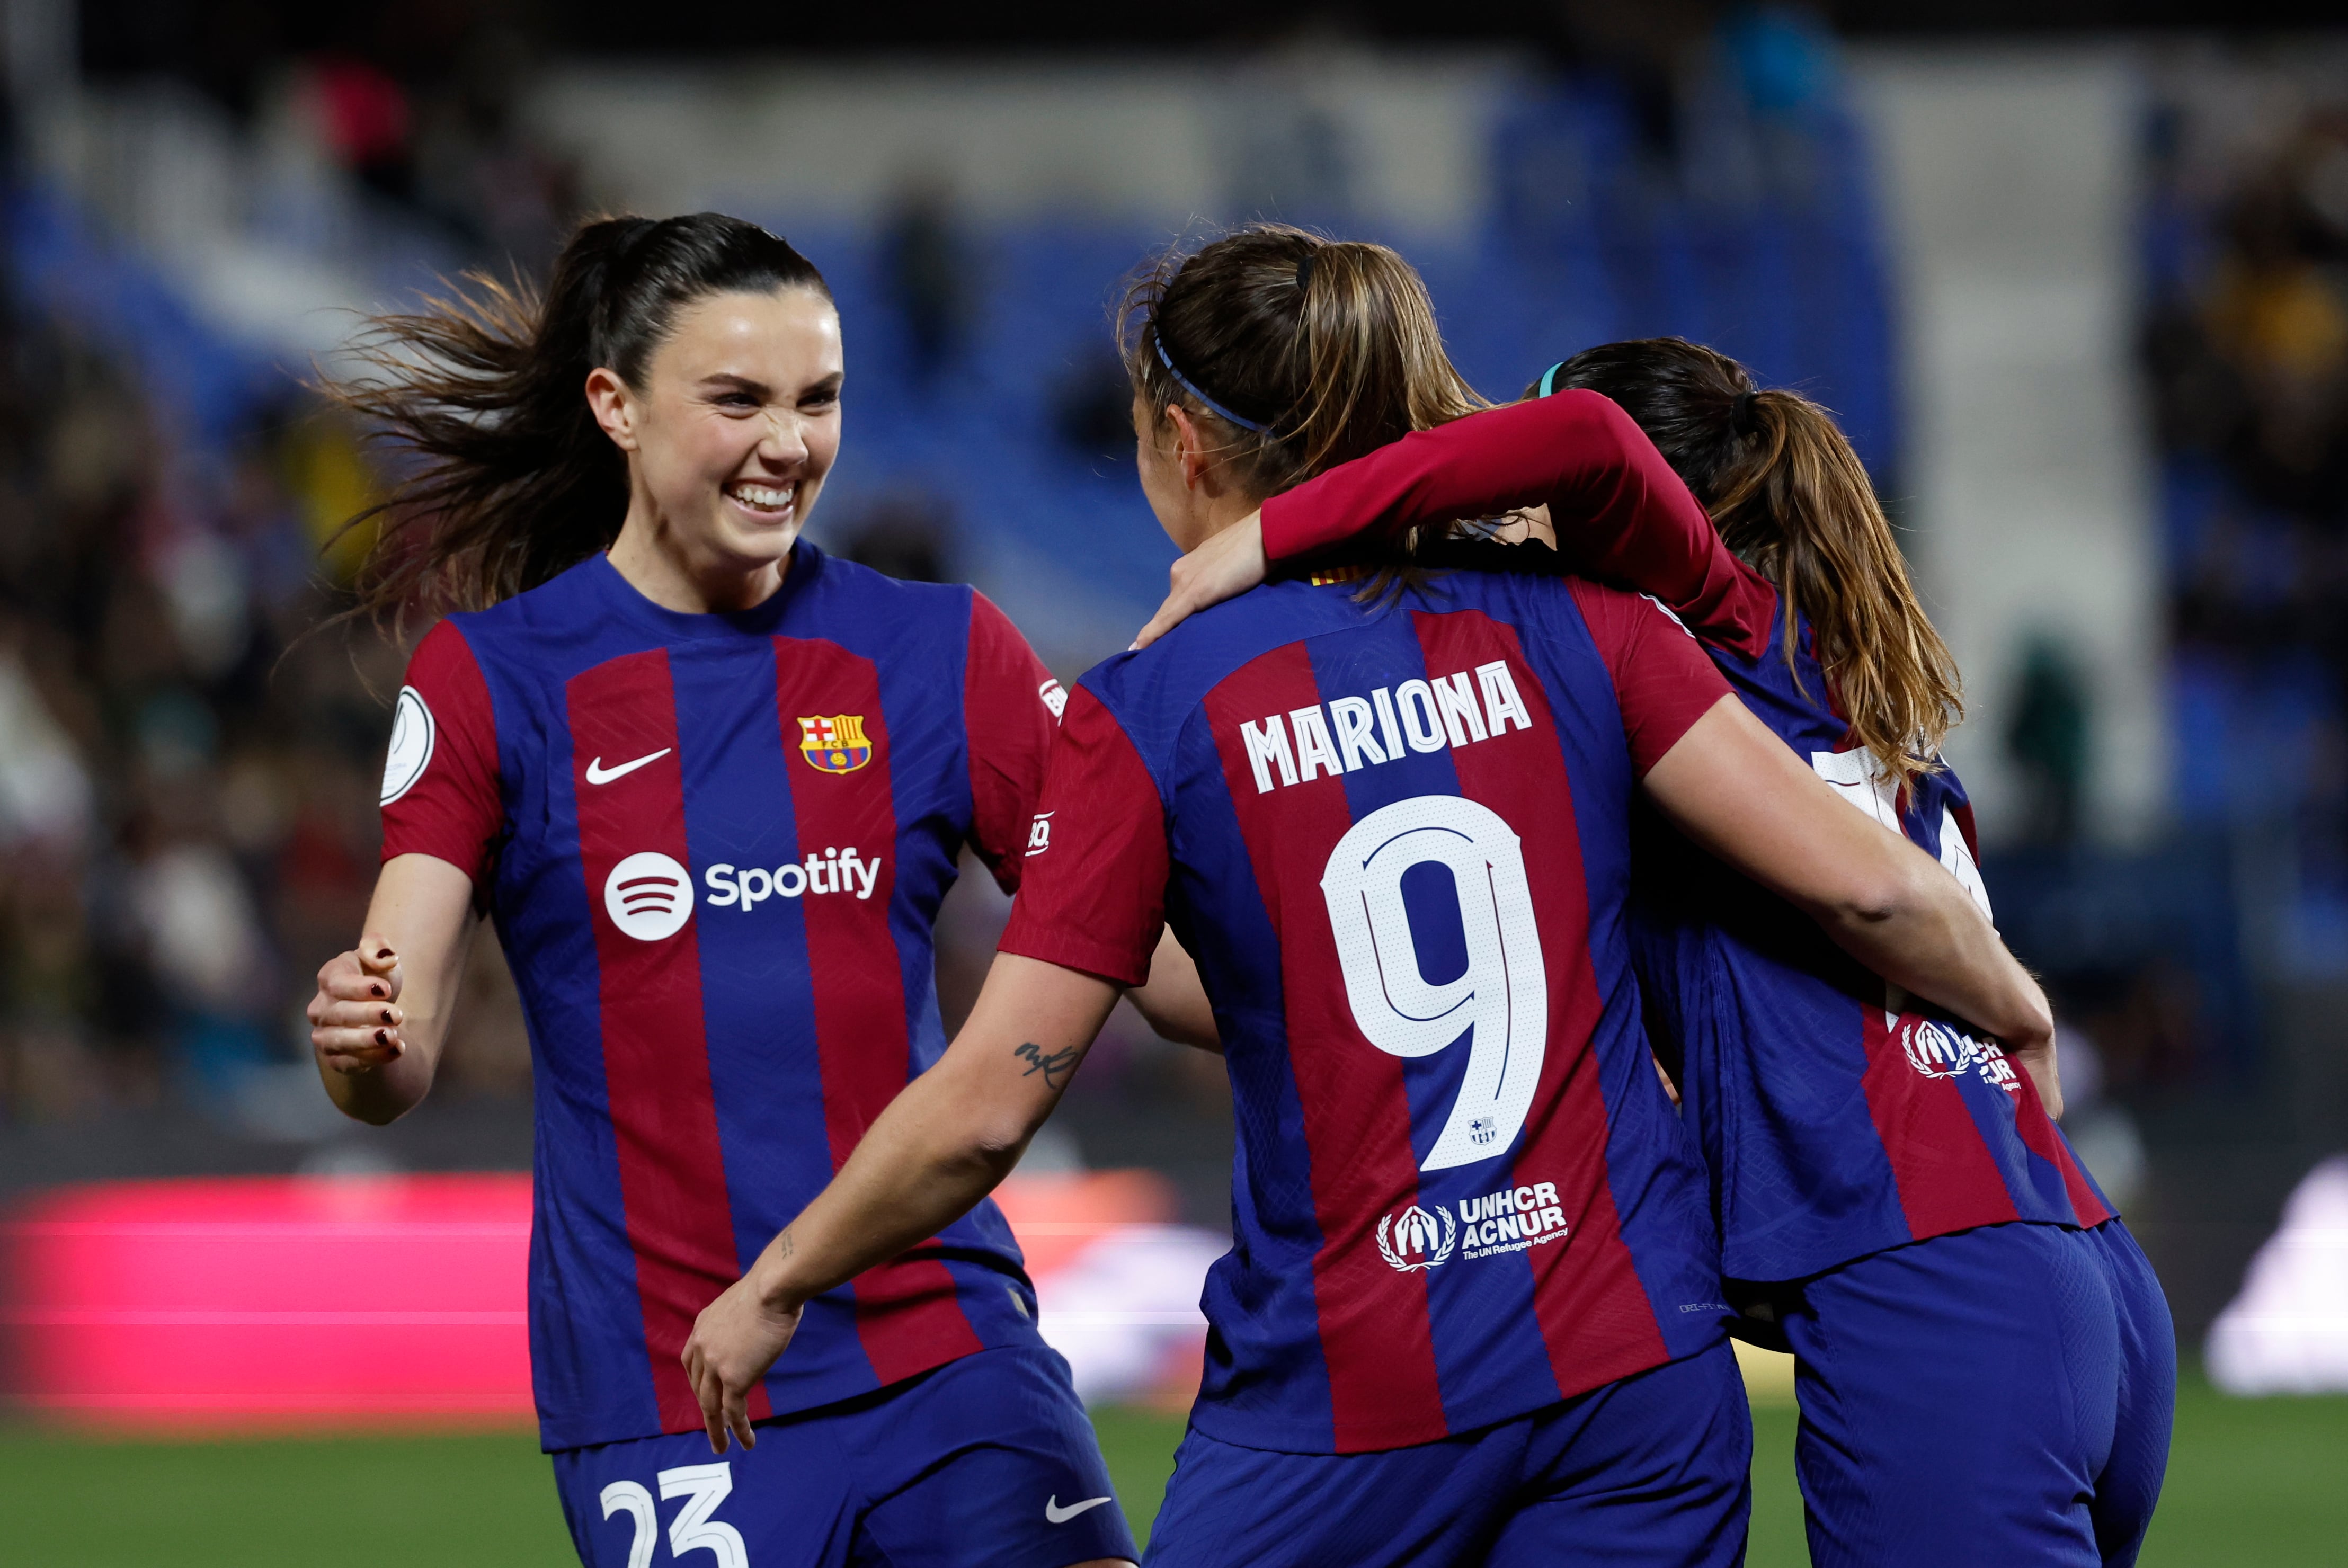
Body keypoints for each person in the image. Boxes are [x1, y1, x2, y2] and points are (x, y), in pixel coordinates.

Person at [679, 227, 2057, 1567]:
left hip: (1350, 1409)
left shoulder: (1154, 707)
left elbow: (988, 1111)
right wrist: (2012, 1001)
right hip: (1639, 1379)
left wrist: (780, 1278)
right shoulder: (1593, 618)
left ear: (1184, 446)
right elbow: (1863, 879)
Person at [1136, 335, 2174, 1567]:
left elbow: (1579, 441)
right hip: (2070, 1257)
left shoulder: (1703, 635)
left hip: (1927, 1288)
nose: (1485, 509)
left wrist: (1268, 535)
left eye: (1500, 490)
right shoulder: (1805, 666)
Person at [304, 212, 1175, 1568]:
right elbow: (389, 1053)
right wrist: (358, 1038)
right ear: (615, 406)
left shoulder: (938, 649)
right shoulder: (493, 681)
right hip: (672, 1391)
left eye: (817, 400)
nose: (788, 444)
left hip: (948, 1346)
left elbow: (1148, 957)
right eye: (739, 400)